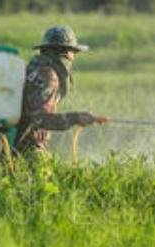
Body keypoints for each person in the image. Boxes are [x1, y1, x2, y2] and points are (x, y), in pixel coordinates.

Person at [14, 25, 107, 153]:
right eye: (73, 52)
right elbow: (41, 120)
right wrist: (76, 118)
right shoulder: (48, 76)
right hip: (23, 150)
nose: (73, 58)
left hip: (10, 143)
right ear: (65, 53)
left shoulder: (32, 69)